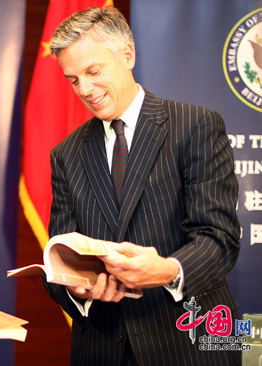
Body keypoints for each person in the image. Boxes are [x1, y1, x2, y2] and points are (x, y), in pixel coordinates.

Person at [43, 7, 241, 366]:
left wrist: (167, 270)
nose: (85, 89)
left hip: (191, 342)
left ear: (128, 54)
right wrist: (76, 286)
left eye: (93, 71)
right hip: (101, 348)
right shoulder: (65, 154)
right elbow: (59, 256)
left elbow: (220, 238)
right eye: (73, 79)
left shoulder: (195, 125)